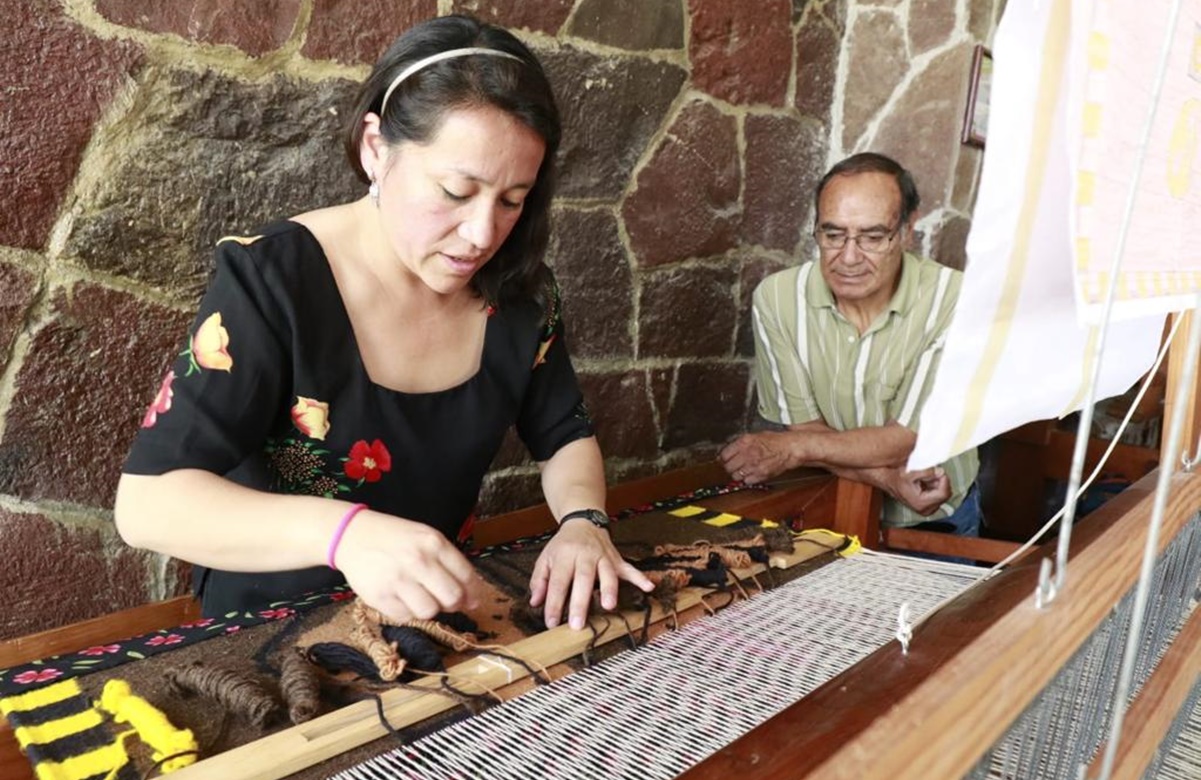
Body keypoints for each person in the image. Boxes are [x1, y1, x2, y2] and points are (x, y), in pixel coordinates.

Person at [114, 14, 652, 630]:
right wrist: (347, 534)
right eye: (455, 190)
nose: (482, 235)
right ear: (376, 148)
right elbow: (148, 503)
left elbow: (564, 433)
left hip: (437, 623)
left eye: (511, 200)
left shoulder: (521, 292)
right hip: (270, 639)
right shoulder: (274, 281)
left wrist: (584, 523)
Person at [719, 152, 981, 537]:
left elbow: (903, 441)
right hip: (829, 509)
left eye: (873, 237)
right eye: (833, 234)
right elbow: (805, 427)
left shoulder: (955, 299)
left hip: (934, 516)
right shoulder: (778, 299)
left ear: (908, 229)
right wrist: (888, 481)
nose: (849, 257)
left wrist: (792, 450)